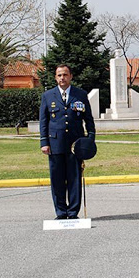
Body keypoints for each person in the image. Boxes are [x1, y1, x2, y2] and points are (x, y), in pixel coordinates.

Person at [39, 64, 95, 219]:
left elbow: (88, 119)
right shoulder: (48, 96)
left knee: (74, 178)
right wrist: (44, 142)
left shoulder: (80, 95)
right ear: (55, 77)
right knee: (57, 179)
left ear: (71, 76)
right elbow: (44, 121)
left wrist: (90, 139)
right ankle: (61, 212)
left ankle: (73, 212)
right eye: (59, 75)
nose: (62, 78)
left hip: (75, 145)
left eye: (65, 75)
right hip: (55, 144)